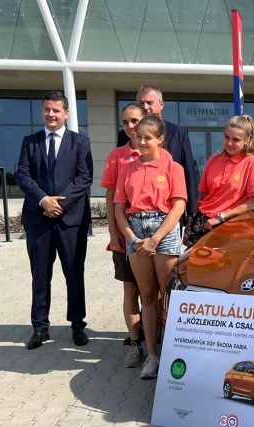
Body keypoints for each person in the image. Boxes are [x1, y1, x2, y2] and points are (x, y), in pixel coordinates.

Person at [16, 90, 93, 350]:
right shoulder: (30, 141)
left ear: (66, 113)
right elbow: (23, 176)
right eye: (47, 109)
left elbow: (84, 178)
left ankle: (77, 325)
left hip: (70, 221)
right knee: (39, 276)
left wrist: (59, 204)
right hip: (38, 219)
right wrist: (43, 200)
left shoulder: (80, 142)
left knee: (74, 274)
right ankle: (40, 328)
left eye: (56, 110)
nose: (51, 114)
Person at [114, 115, 187, 380]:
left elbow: (179, 205)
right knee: (146, 295)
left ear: (160, 139)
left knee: (168, 296)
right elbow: (119, 208)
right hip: (135, 232)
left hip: (163, 231)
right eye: (138, 137)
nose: (142, 142)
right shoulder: (127, 167)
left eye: (148, 137)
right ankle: (153, 356)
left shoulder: (173, 167)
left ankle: (173, 351)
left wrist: (155, 239)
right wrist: (133, 239)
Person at [101, 103, 148, 367]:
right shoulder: (117, 156)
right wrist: (113, 232)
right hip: (124, 234)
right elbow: (110, 197)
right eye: (126, 122)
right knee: (130, 290)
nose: (130, 127)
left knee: (154, 293)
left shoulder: (160, 154)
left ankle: (155, 340)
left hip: (152, 238)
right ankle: (135, 343)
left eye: (135, 121)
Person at [183, 115, 254, 247]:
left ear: (247, 140)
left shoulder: (252, 163)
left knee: (221, 261)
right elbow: (203, 193)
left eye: (235, 139)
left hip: (230, 226)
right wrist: (193, 217)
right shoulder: (214, 159)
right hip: (201, 222)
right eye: (227, 137)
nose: (229, 143)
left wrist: (220, 217)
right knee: (191, 260)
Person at [117, 85, 197, 215]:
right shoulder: (125, 135)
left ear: (161, 105)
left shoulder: (178, 133)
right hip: (134, 213)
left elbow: (188, 172)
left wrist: (192, 213)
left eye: (150, 102)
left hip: (171, 211)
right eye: (141, 103)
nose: (145, 107)